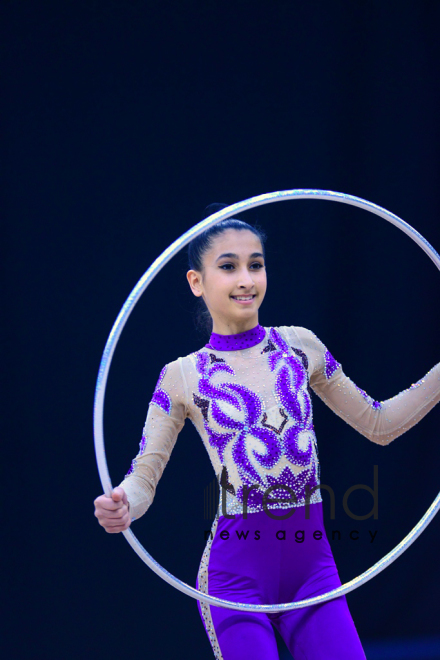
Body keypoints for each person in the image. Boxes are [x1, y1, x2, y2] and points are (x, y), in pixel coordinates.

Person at [94, 208, 440, 660]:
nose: (246, 279)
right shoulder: (181, 377)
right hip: (234, 581)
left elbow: (379, 424)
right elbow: (145, 476)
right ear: (196, 282)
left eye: (255, 264)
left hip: (312, 571)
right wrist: (124, 503)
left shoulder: (300, 346)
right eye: (228, 266)